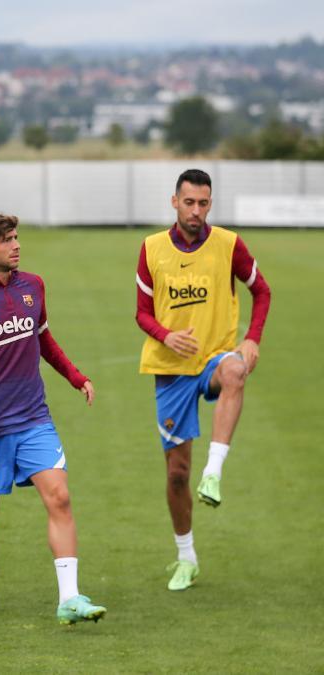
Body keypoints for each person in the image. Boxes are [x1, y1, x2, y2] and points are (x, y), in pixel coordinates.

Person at [0, 213, 105, 625]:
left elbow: (42, 338)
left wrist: (76, 377)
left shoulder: (33, 286)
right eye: (7, 240)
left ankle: (69, 598)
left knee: (59, 497)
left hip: (34, 419)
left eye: (16, 237)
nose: (16, 245)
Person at [135, 169, 272, 591]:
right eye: (189, 202)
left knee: (236, 370)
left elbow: (261, 291)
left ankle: (214, 472)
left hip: (215, 356)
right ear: (174, 201)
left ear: (210, 204)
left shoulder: (229, 245)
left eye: (204, 203)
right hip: (170, 368)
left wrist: (251, 339)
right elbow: (142, 312)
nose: (196, 211)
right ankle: (186, 557)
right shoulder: (152, 248)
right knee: (177, 473)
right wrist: (166, 335)